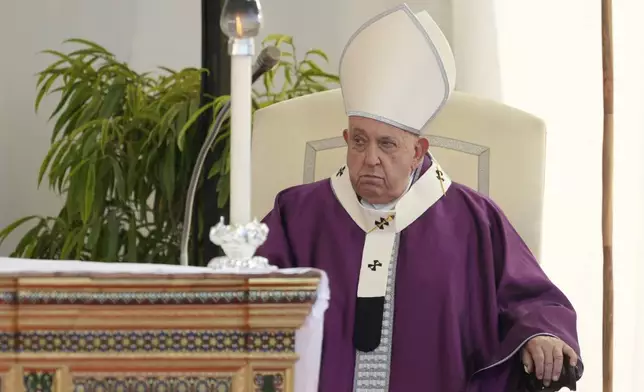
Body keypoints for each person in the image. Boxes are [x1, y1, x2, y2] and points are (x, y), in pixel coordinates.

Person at [256, 3, 583, 391]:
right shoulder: (297, 215)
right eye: (359, 141)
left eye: (387, 144)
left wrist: (542, 336)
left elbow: (536, 303)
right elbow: (246, 294)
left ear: (418, 151)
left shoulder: (476, 222)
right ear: (345, 139)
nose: (370, 159)